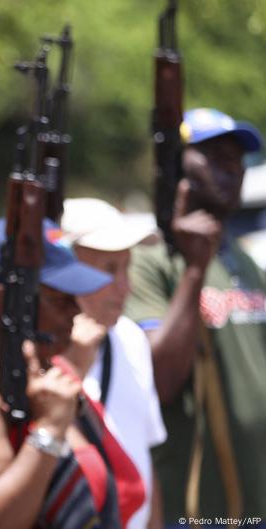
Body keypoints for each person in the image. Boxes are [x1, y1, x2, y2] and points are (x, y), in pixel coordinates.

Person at [0, 217, 146, 529]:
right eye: (59, 298)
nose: (75, 310)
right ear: (2, 302)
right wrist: (49, 431)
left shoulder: (55, 375)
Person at [125, 108, 266, 527]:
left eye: (236, 159)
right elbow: (160, 381)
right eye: (215, 157)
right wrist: (194, 271)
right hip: (192, 510)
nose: (232, 169)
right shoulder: (149, 261)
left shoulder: (244, 261)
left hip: (254, 503)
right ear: (176, 169)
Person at [61, 198, 167, 529]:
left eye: (126, 268)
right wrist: (71, 367)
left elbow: (143, 459)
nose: (126, 287)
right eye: (108, 269)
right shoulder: (37, 353)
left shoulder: (132, 338)